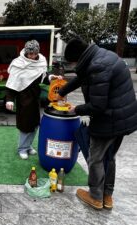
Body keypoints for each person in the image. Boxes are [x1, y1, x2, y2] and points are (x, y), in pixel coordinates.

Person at [57, 38, 137, 210]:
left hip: (110, 119)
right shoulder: (100, 56)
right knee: (110, 157)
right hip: (123, 117)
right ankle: (107, 196)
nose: (73, 65)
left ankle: (95, 196)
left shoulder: (97, 66)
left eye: (73, 62)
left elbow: (98, 106)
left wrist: (76, 110)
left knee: (96, 158)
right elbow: (81, 77)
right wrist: (62, 91)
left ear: (78, 57)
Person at [5, 40, 62, 160]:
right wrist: (9, 100)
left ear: (37, 52)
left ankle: (28, 146)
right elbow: (11, 83)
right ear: (26, 52)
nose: (32, 56)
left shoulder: (41, 61)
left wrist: (52, 77)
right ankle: (22, 148)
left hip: (35, 98)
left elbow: (43, 76)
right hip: (23, 99)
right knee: (25, 125)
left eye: (34, 53)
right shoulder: (18, 63)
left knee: (35, 124)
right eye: (30, 53)